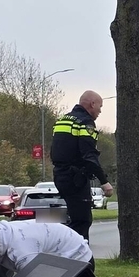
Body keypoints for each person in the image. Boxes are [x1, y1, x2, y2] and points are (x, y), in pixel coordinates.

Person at [50, 90, 113, 242]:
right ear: (92, 104)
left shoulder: (63, 120)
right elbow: (89, 156)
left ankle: (65, 248)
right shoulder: (85, 123)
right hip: (75, 178)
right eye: (100, 106)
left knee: (73, 218)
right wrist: (104, 182)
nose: (100, 111)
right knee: (82, 221)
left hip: (60, 175)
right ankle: (77, 253)